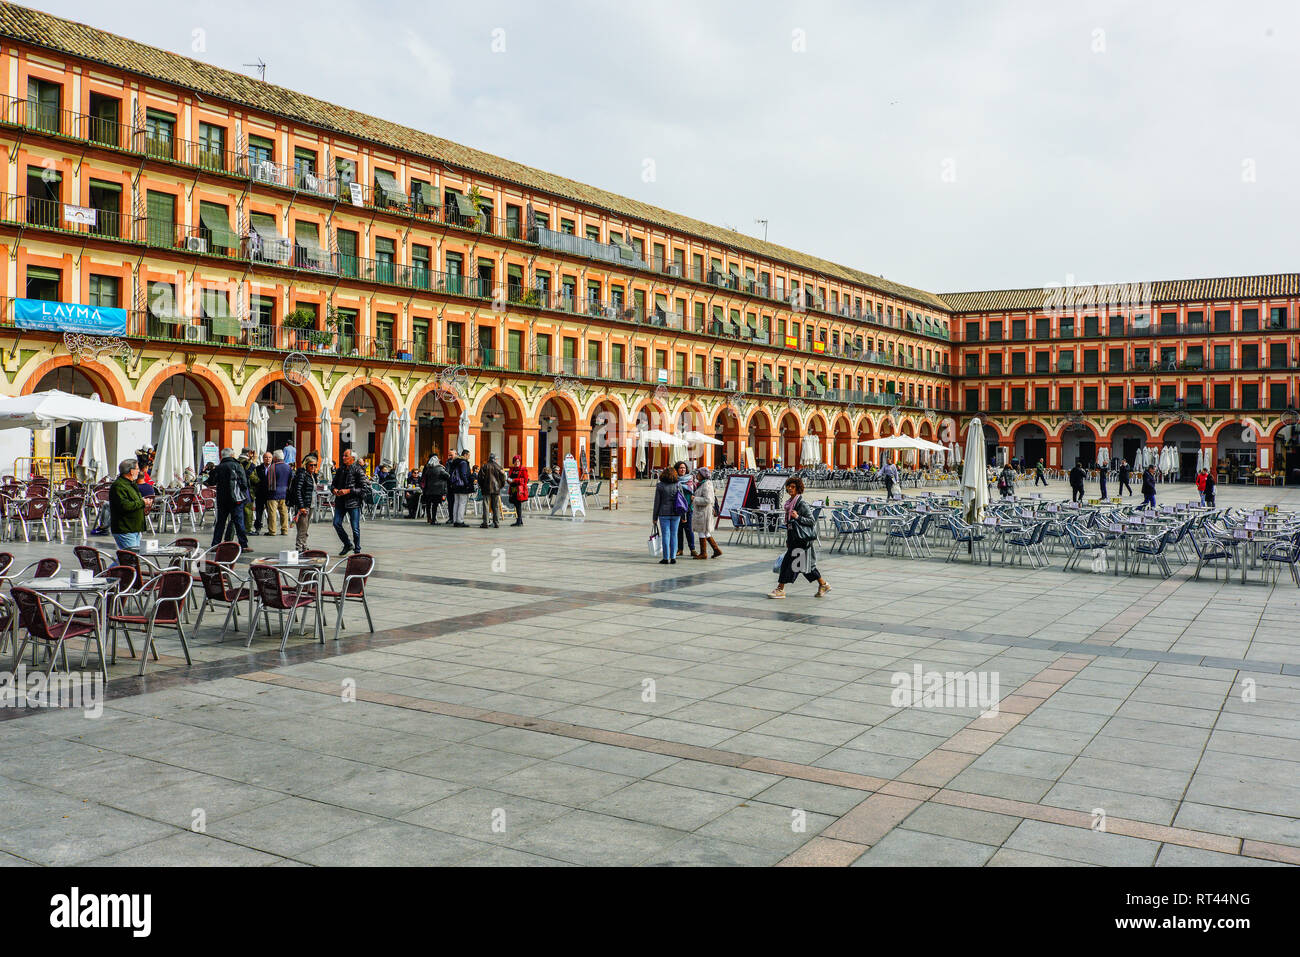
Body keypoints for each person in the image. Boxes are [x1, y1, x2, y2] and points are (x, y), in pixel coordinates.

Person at [769, 476, 830, 599]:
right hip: (794, 538)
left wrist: (798, 517)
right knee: (803, 567)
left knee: (787, 564)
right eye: (789, 487)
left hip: (801, 540)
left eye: (793, 487)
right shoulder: (790, 503)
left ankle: (780, 589)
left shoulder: (801, 503)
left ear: (798, 489)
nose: (790, 489)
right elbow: (790, 524)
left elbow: (811, 521)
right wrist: (788, 539)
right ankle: (823, 584)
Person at [204, 447, 251, 550]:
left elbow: (211, 482)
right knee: (239, 522)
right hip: (236, 498)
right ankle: (243, 545)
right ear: (232, 455)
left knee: (220, 522)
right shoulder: (237, 466)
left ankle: (215, 544)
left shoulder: (218, 467)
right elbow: (244, 482)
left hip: (221, 499)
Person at [109, 458, 151, 552]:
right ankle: (110, 568)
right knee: (130, 559)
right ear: (131, 471)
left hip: (134, 528)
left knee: (130, 559)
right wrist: (142, 502)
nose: (138, 471)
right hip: (125, 529)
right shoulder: (119, 485)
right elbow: (124, 505)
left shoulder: (131, 484)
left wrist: (144, 502)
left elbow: (135, 500)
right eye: (137, 469)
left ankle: (112, 568)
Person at [331, 448, 368, 555]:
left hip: (353, 503)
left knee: (355, 527)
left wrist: (348, 491)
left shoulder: (358, 470)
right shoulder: (340, 469)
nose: (343, 458)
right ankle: (347, 544)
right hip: (340, 502)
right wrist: (334, 490)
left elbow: (364, 489)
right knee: (336, 523)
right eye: (343, 455)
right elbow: (333, 484)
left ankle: (357, 549)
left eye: (345, 456)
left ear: (352, 458)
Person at [651, 466, 684, 564]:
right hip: (676, 513)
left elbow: (657, 502)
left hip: (663, 513)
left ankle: (666, 558)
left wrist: (654, 517)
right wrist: (683, 516)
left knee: (666, 535)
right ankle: (673, 557)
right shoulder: (678, 484)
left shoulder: (660, 486)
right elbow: (682, 501)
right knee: (674, 535)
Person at [286, 454, 318, 552]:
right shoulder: (302, 475)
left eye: (315, 465)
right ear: (306, 465)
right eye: (311, 465)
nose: (313, 467)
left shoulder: (312, 476)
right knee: (302, 528)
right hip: (304, 505)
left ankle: (304, 545)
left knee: (305, 527)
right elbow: (297, 491)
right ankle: (299, 548)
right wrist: (301, 506)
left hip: (311, 504)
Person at [690, 467, 722, 558]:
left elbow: (708, 500)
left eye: (698, 474)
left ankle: (704, 553)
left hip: (703, 512)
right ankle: (716, 550)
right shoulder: (702, 484)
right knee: (705, 532)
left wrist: (695, 499)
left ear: (702, 475)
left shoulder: (706, 485)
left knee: (702, 531)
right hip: (701, 512)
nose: (697, 475)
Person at [478, 453, 506, 528]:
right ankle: (496, 522)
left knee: (486, 505)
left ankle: (485, 522)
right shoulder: (498, 467)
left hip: (486, 489)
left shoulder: (484, 466)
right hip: (496, 489)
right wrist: (500, 486)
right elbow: (503, 478)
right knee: (496, 506)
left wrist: (482, 486)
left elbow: (480, 478)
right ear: (495, 459)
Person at [267, 450, 292, 535]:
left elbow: (269, 481)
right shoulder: (288, 467)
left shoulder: (272, 467)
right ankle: (284, 530)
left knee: (272, 513)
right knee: (284, 512)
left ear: (275, 458)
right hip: (284, 493)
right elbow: (290, 480)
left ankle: (272, 531)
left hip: (273, 493)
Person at [674, 461, 695, 558]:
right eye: (680, 468)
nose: (683, 470)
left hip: (688, 508)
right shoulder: (674, 480)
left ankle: (692, 549)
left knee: (689, 529)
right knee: (679, 530)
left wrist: (694, 496)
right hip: (678, 508)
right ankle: (680, 549)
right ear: (677, 469)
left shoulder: (690, 479)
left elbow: (695, 490)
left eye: (684, 468)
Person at [420, 454, 449, 524]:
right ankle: (433, 519)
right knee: (435, 505)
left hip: (428, 489)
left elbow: (424, 477)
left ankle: (429, 518)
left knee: (428, 505)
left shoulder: (427, 468)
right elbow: (447, 475)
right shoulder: (440, 468)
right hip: (437, 490)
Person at [447, 450, 472, 527]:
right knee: (462, 503)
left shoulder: (454, 462)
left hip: (455, 485)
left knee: (456, 503)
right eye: (468, 455)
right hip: (462, 486)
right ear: (465, 455)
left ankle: (455, 520)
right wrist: (467, 483)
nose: (469, 457)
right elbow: (463, 474)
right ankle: (460, 521)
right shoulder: (463, 462)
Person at [506, 454, 529, 526]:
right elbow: (509, 477)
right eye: (515, 461)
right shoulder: (512, 469)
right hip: (513, 489)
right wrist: (508, 480)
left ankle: (519, 521)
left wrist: (514, 480)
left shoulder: (523, 469)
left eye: (518, 461)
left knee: (518, 505)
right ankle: (520, 520)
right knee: (516, 505)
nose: (517, 463)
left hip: (519, 490)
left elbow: (525, 480)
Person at [253, 451, 273, 533]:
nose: (267, 459)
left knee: (270, 512)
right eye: (266, 457)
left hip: (270, 494)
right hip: (260, 494)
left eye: (269, 457)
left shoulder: (274, 468)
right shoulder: (258, 468)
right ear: (263, 459)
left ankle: (271, 528)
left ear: (271, 459)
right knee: (259, 512)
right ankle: (257, 528)